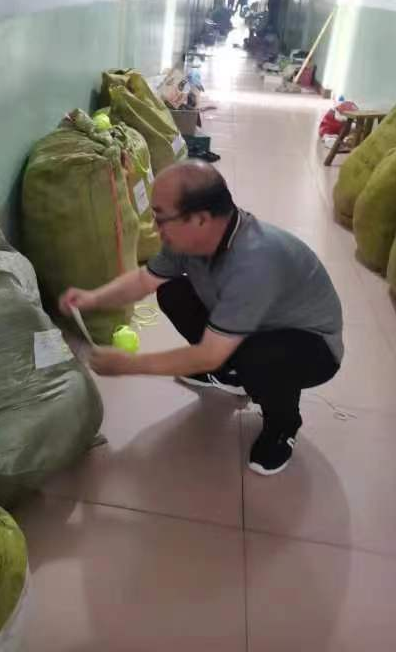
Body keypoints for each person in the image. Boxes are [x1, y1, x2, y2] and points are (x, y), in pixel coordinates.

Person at [60, 161, 343, 476]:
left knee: (259, 358)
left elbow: (209, 353)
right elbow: (144, 281)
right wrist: (93, 298)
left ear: (200, 219)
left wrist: (129, 365)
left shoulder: (255, 261)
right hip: (253, 325)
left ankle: (283, 425)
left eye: (161, 217)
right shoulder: (186, 239)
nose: (155, 227)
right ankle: (230, 373)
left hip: (311, 346)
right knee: (172, 292)